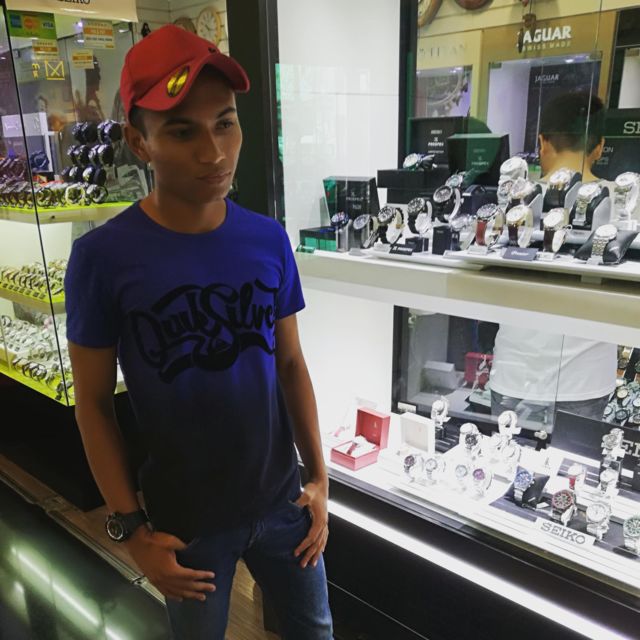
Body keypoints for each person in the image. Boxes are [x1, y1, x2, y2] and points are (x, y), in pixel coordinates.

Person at [64, 25, 333, 640]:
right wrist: (131, 531)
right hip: (185, 525)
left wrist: (319, 479)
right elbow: (93, 404)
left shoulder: (267, 239)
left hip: (284, 504)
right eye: (183, 132)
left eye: (225, 123)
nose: (213, 153)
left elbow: (291, 364)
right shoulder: (103, 259)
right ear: (140, 141)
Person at [490, 91, 616, 427]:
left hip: (513, 374)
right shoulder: (623, 201)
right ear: (599, 147)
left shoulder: (514, 203)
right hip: (587, 380)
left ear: (542, 142)